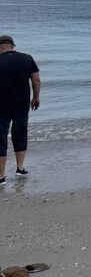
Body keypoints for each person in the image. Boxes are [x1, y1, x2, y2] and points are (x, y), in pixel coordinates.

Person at [0, 35, 41, 184]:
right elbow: (36, 80)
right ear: (12, 45)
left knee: (0, 137)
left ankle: (1, 176)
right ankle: (20, 168)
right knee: (20, 133)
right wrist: (36, 98)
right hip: (21, 105)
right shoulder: (27, 58)